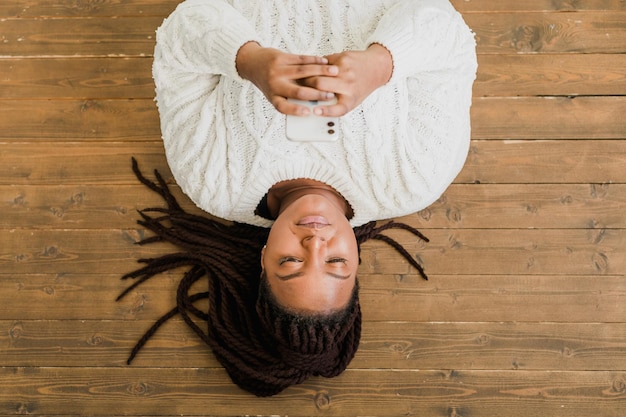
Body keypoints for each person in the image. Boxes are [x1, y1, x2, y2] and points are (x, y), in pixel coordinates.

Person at [118, 0, 477, 397]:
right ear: (357, 261)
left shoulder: (209, 179)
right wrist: (380, 65)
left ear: (263, 258)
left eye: (291, 262)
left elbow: (178, 37)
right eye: (336, 262)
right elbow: (450, 36)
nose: (315, 243)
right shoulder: (415, 179)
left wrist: (249, 60)